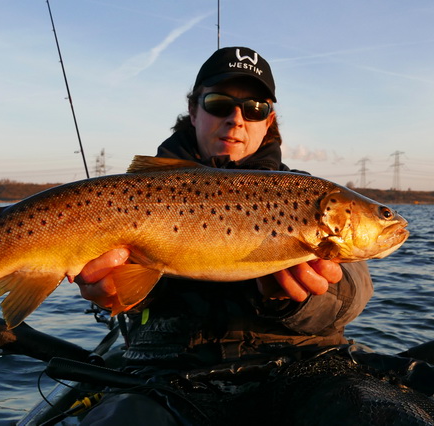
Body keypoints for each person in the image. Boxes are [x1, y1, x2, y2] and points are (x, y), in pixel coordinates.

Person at [75, 47, 374, 425]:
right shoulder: (136, 193)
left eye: (254, 109)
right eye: (219, 103)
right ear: (194, 110)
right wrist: (112, 293)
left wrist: (298, 299)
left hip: (300, 373)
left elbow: (353, 292)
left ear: (270, 121)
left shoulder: (308, 196)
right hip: (164, 377)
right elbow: (120, 288)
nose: (236, 120)